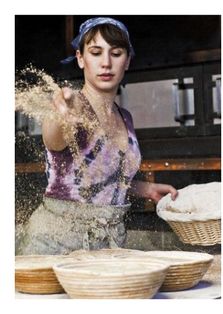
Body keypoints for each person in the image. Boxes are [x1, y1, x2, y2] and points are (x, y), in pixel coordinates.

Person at [16, 17, 178, 255]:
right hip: (54, 246)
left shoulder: (125, 117)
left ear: (127, 61)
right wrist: (61, 116)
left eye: (116, 53)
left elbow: (102, 179)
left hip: (108, 246)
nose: (106, 63)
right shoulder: (72, 106)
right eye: (95, 52)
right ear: (81, 59)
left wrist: (145, 188)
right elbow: (54, 139)